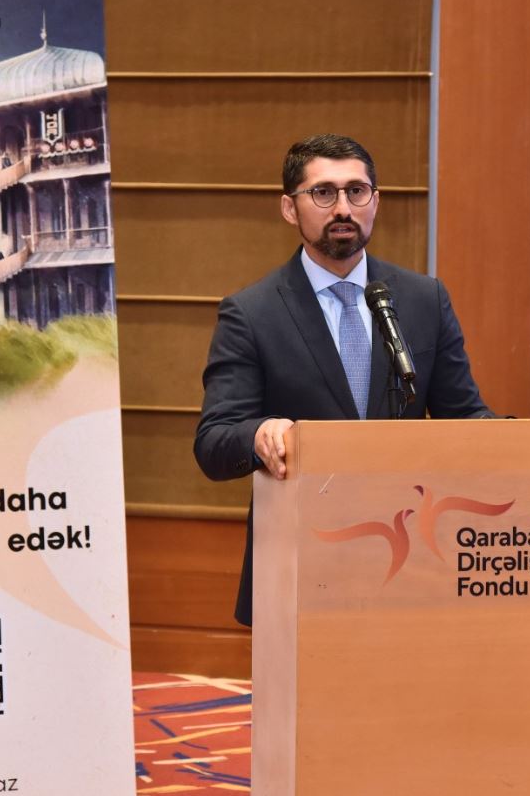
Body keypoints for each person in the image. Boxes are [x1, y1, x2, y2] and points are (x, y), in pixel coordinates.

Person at [193, 133, 493, 627]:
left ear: (376, 201)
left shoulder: (423, 299)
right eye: (323, 193)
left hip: (413, 560)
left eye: (357, 191)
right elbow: (214, 441)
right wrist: (259, 433)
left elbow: (463, 415)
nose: (343, 208)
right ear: (289, 208)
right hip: (301, 563)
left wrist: (511, 441)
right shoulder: (251, 313)